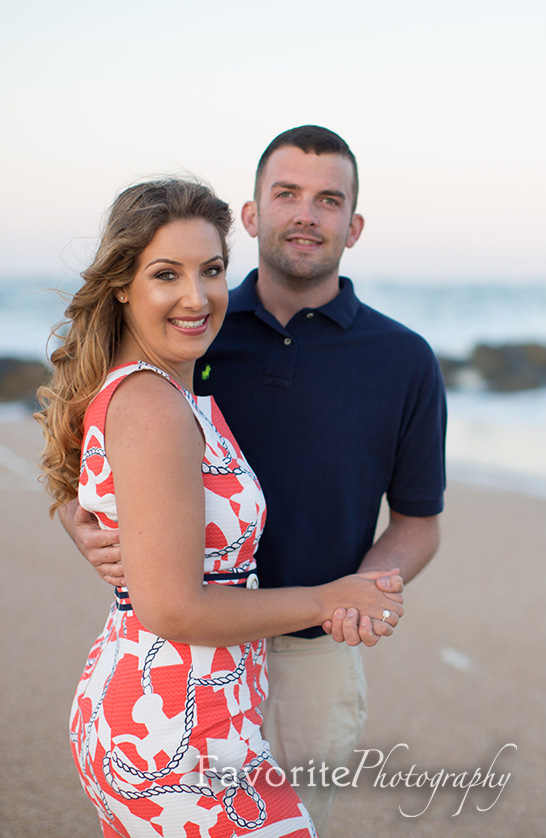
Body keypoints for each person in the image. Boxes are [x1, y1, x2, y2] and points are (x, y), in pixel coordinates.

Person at [67, 126, 448, 835]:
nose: (306, 213)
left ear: (353, 225)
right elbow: (80, 439)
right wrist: (81, 525)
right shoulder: (191, 332)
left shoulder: (403, 359)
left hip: (313, 655)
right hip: (181, 664)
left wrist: (365, 593)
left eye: (328, 199)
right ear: (251, 214)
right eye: (287, 194)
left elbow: (418, 522)